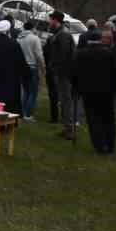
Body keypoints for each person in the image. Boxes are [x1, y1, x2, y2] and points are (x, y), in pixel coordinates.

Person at [73, 27, 116, 155]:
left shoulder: (80, 54)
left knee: (93, 118)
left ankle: (99, 145)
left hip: (88, 92)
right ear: (100, 39)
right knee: (108, 118)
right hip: (107, 91)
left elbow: (75, 74)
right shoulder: (110, 54)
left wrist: (77, 88)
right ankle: (110, 145)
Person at [46, 12, 79, 140]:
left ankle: (69, 129)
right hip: (61, 73)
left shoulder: (63, 34)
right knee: (63, 100)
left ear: (55, 20)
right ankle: (66, 128)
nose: (49, 22)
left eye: (50, 20)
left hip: (64, 74)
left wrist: (56, 69)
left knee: (66, 101)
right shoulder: (59, 33)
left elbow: (64, 56)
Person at [16, 20, 44, 120]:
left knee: (25, 91)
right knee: (33, 91)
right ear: (32, 28)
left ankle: (22, 112)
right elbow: (39, 55)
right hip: (32, 67)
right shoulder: (35, 38)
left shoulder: (18, 38)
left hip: (22, 67)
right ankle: (28, 114)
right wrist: (43, 67)